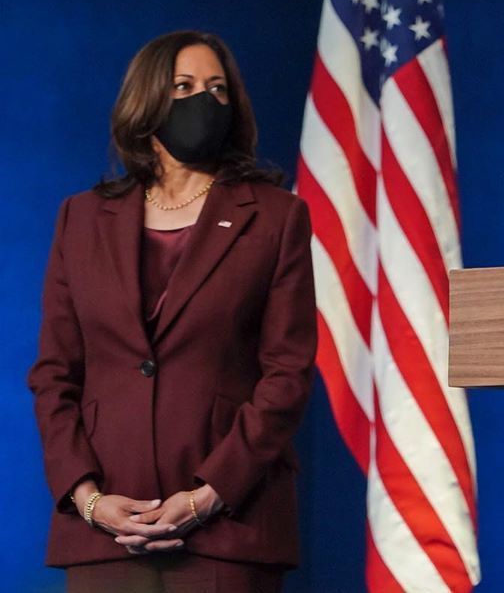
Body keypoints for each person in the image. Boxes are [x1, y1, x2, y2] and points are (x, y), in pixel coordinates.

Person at [29, 31, 317, 593]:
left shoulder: (278, 217)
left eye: (217, 89)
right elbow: (54, 374)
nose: (202, 101)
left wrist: (210, 494)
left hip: (229, 529)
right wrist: (88, 499)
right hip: (105, 532)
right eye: (183, 87)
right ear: (146, 102)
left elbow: (287, 374)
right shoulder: (81, 218)